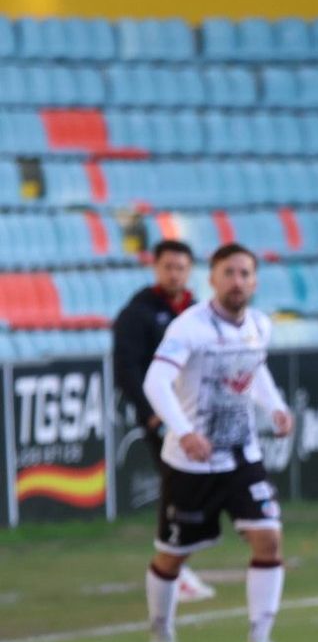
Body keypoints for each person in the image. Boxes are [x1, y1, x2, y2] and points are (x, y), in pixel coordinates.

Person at [142, 243, 294, 642]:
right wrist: (185, 432)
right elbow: (156, 382)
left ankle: (260, 640)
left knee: (269, 536)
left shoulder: (259, 326)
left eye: (245, 273)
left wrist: (275, 407)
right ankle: (161, 632)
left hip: (241, 455)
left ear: (256, 280)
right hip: (191, 464)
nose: (238, 281)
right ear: (211, 279)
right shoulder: (189, 327)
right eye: (229, 273)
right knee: (172, 555)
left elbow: (255, 369)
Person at [113, 239, 214, 603]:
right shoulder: (138, 313)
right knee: (175, 487)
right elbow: (127, 367)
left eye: (181, 267)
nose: (175, 274)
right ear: (156, 267)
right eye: (168, 266)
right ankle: (174, 568)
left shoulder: (198, 311)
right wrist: (150, 411)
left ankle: (178, 564)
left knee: (198, 488)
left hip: (198, 414)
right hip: (164, 417)